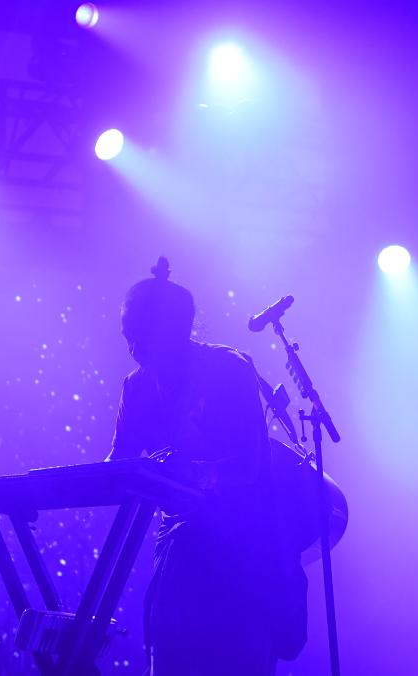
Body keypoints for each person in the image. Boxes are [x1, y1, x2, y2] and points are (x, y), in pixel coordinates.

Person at [107, 257, 306, 675]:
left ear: (175, 329)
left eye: (140, 335)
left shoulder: (227, 369)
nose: (133, 349)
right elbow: (119, 462)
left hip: (243, 547)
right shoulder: (135, 386)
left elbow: (250, 467)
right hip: (178, 549)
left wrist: (192, 474)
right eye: (128, 337)